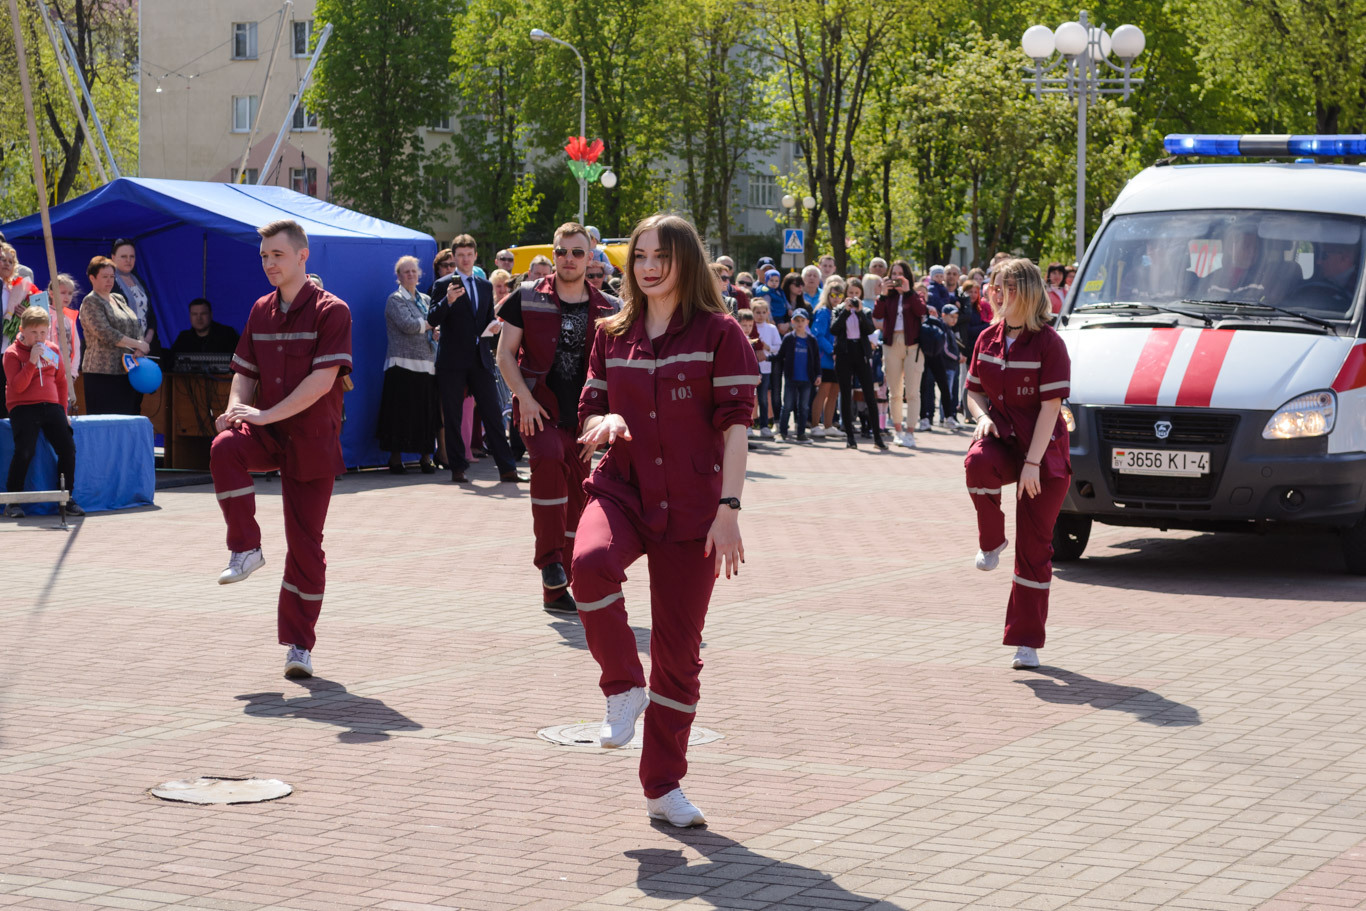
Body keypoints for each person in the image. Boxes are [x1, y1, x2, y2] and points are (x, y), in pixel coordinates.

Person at [571, 212, 758, 828]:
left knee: (678, 656)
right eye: (640, 256)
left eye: (661, 256)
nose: (648, 267)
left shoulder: (719, 332)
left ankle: (663, 786)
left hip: (694, 510)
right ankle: (622, 685)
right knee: (589, 565)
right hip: (623, 488)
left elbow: (736, 429)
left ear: (686, 261)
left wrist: (729, 510)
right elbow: (592, 408)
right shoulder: (610, 331)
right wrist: (604, 426)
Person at [209, 219, 353, 681]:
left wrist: (264, 415)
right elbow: (244, 371)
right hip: (268, 432)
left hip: (311, 441)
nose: (270, 263)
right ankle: (245, 549)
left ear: (302, 255)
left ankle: (299, 646)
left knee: (306, 548)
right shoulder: (259, 310)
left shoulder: (333, 311)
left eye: (278, 255)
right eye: (264, 256)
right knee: (224, 445)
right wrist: (236, 408)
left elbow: (322, 381)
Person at [496, 222, 616, 614]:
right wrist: (524, 399)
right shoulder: (526, 296)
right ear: (554, 252)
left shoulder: (609, 308)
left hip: (585, 418)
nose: (569, 259)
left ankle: (557, 590)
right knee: (547, 458)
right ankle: (549, 560)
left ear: (591, 256)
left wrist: (608, 417)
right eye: (562, 251)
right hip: (538, 410)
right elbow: (504, 355)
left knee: (579, 497)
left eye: (577, 252)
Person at [963, 258, 1071, 671]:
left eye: (1002, 288)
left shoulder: (1049, 344)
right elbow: (973, 392)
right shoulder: (986, 338)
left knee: (1034, 551)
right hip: (1005, 443)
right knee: (976, 462)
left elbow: (1050, 410)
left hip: (1044, 458)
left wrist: (1032, 464)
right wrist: (982, 416)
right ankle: (991, 542)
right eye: (992, 287)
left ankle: (1026, 643)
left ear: (1023, 294)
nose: (993, 295)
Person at [428, 235, 524, 484]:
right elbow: (433, 318)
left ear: (475, 256)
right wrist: (448, 300)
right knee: (453, 415)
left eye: (469, 255)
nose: (465, 259)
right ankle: (457, 467)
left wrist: (492, 327)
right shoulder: (442, 284)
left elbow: (485, 319)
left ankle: (507, 468)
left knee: (492, 412)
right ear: (454, 257)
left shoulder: (484, 285)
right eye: (460, 255)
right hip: (452, 360)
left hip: (479, 358)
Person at [3, 306, 83, 518]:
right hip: (23, 406)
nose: (39, 337)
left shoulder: (53, 350)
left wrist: (63, 410)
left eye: (43, 332)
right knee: (25, 450)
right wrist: (31, 362)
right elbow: (18, 387)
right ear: (22, 330)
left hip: (51, 405)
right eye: (33, 333)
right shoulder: (12, 354)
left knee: (68, 448)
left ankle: (66, 497)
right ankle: (13, 501)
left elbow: (61, 381)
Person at [377, 255, 439, 475]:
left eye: (413, 271)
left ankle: (426, 458)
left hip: (427, 365)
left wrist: (436, 331)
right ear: (399, 277)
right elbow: (408, 325)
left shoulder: (426, 300)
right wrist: (431, 325)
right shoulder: (395, 300)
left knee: (425, 415)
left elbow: (433, 326)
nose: (410, 275)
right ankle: (395, 460)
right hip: (401, 366)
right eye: (406, 272)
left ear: (419, 275)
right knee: (399, 415)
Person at [79, 255, 147, 416]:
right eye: (104, 277)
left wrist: (140, 346)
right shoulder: (91, 301)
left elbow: (136, 324)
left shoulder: (118, 298)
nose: (109, 281)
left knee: (127, 416)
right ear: (92, 278)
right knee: (106, 420)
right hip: (102, 374)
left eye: (112, 277)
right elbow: (106, 333)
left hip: (126, 370)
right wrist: (137, 344)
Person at [872, 260, 926, 448]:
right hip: (891, 343)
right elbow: (877, 315)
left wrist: (908, 291)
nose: (896, 277)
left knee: (912, 392)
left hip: (913, 346)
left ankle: (910, 431)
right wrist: (883, 295)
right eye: (893, 274)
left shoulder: (915, 294)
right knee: (894, 392)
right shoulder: (888, 296)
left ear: (907, 276)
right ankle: (898, 431)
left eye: (900, 273)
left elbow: (921, 311)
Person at [830, 282, 886, 450]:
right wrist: (846, 311)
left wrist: (860, 311)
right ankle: (850, 437)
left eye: (856, 293)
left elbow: (870, 330)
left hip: (860, 353)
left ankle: (877, 436)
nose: (853, 296)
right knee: (846, 395)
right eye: (850, 293)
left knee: (870, 394)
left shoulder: (866, 311)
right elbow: (834, 329)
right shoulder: (839, 310)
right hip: (844, 353)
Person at [0, 242, 40, 419]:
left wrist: (27, 316)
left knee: (9, 403)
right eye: (2, 259)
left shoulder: (20, 290)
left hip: (10, 354)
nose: (7, 263)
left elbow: (38, 323)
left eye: (10, 261)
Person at [110, 239, 160, 360]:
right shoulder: (109, 282)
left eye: (132, 256)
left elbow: (151, 317)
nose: (128, 260)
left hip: (147, 346)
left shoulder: (139, 281)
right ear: (113, 258)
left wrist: (145, 343)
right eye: (123, 256)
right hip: (123, 349)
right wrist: (136, 345)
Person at [775, 309, 818, 441]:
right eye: (797, 320)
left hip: (806, 379)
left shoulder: (811, 340)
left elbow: (816, 359)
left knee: (804, 407)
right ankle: (782, 433)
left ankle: (801, 434)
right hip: (791, 377)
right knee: (787, 406)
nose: (800, 323)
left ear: (807, 322)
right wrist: (767, 358)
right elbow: (780, 356)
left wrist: (818, 375)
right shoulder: (789, 338)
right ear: (792, 322)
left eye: (802, 320)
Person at [809, 278, 840, 438]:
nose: (836, 298)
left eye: (840, 295)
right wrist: (832, 350)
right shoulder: (822, 311)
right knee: (823, 392)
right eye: (833, 294)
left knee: (834, 393)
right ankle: (815, 425)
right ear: (828, 295)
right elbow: (818, 335)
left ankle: (828, 425)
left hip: (838, 360)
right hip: (825, 359)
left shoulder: (841, 311)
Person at [170, 299, 241, 361]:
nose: (199, 318)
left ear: (211, 315)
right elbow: (172, 361)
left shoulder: (227, 334)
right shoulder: (184, 337)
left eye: (203, 314)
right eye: (194, 314)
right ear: (190, 316)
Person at [750, 299, 782, 438]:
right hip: (751, 369)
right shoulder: (749, 326)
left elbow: (778, 347)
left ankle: (764, 426)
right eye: (757, 312)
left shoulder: (772, 328)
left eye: (763, 312)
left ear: (768, 313)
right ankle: (749, 425)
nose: (760, 315)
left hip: (766, 367)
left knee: (763, 398)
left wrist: (767, 348)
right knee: (751, 398)